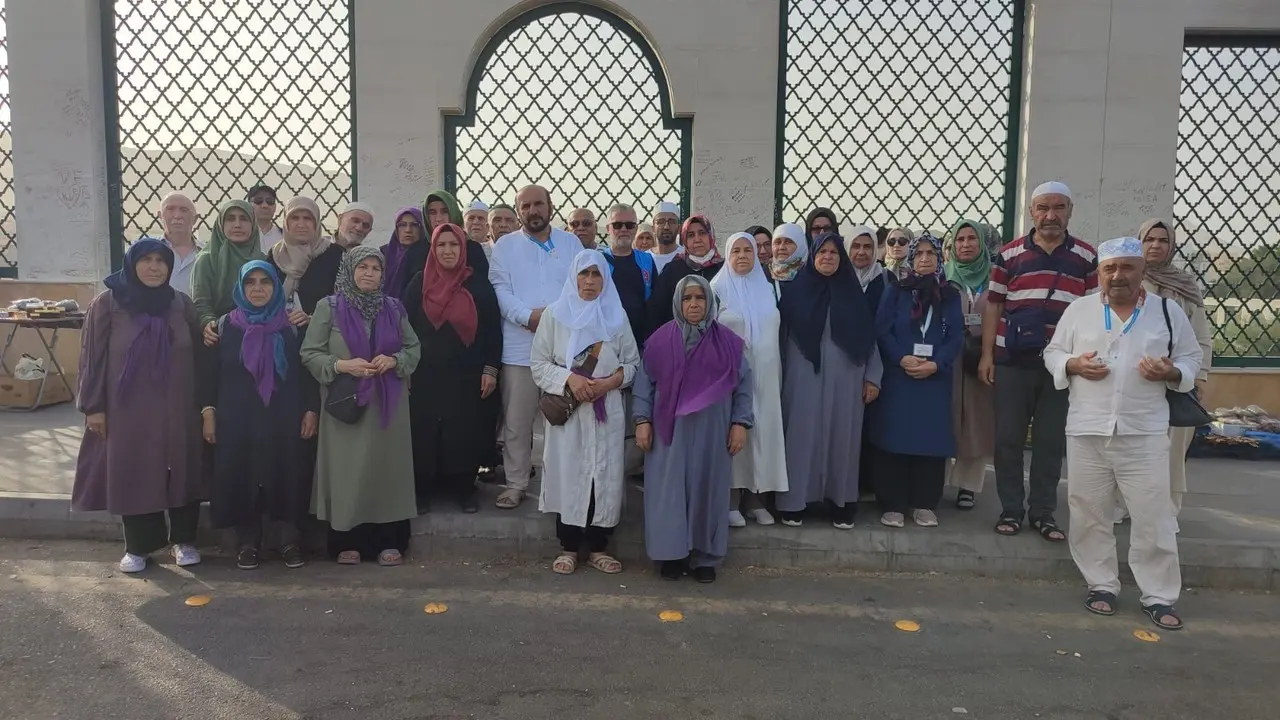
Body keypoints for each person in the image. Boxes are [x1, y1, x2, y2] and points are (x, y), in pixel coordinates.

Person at [1043, 236, 1201, 631]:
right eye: (1109, 269)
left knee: (1153, 517)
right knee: (1089, 512)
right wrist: (1073, 365)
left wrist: (1172, 372)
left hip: (1144, 431)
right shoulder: (1079, 310)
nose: (1118, 276)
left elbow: (1191, 357)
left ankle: (1159, 595)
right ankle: (1101, 584)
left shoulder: (1167, 311)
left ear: (1141, 271)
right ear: (1099, 273)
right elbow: (1053, 353)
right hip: (1087, 428)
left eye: (1127, 267)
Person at [72, 239, 205, 573]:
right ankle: (139, 546)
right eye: (146, 260)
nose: (154, 267)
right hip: (128, 409)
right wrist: (94, 407)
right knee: (135, 470)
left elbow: (201, 354)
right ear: (132, 264)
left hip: (178, 406)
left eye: (161, 261)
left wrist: (205, 406)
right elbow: (92, 358)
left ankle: (184, 539)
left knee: (182, 469)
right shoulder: (108, 303)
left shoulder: (179, 303)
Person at [980, 181, 1098, 542]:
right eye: (1043, 208)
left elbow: (1095, 310)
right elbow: (994, 306)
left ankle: (1044, 513)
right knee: (1008, 440)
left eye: (1059, 207)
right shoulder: (1009, 254)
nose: (1050, 215)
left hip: (1062, 367)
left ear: (1070, 211)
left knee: (1050, 442)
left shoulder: (1086, 257)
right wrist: (987, 355)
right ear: (1031, 212)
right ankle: (1011, 510)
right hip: (1012, 362)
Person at [301, 246, 421, 565]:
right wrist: (343, 365)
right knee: (348, 472)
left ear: (383, 274)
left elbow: (413, 347)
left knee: (387, 471)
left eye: (376, 268)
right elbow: (310, 353)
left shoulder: (393, 308)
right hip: (346, 405)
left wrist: (395, 360)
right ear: (349, 270)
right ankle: (347, 541)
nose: (369, 273)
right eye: (362, 267)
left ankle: (389, 541)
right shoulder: (328, 307)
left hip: (387, 405)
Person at [634, 275, 754, 583]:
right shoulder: (660, 341)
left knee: (708, 489)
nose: (694, 304)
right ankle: (671, 556)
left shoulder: (728, 343)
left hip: (713, 433)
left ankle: (705, 558)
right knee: (669, 492)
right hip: (668, 434)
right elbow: (644, 385)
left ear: (709, 302)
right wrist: (642, 421)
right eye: (687, 298)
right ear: (678, 302)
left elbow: (743, 386)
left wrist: (740, 424)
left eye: (700, 298)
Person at [202, 261, 318, 570]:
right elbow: (210, 374)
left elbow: (307, 373)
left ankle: (289, 542)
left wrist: (311, 409)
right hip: (238, 416)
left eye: (265, 282)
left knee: (287, 473)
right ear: (240, 287)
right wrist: (208, 412)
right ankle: (248, 543)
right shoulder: (224, 326)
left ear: (276, 287)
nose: (257, 288)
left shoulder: (292, 325)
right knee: (244, 474)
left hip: (284, 414)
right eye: (250, 282)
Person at [532, 250, 640, 575]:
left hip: (606, 409)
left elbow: (633, 363)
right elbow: (539, 364)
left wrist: (610, 382)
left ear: (605, 279)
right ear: (574, 277)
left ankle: (598, 547)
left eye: (596, 275)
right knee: (569, 473)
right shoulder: (555, 315)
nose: (590, 281)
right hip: (571, 411)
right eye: (584, 274)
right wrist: (570, 379)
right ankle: (568, 546)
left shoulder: (616, 316)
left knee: (602, 475)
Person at [775, 234, 881, 528]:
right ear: (812, 256)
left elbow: (869, 338)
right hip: (801, 379)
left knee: (842, 439)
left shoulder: (853, 295)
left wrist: (873, 377)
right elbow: (778, 339)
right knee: (800, 437)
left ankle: (840, 503)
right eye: (822, 252)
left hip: (847, 380)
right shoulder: (794, 294)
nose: (828, 257)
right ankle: (794, 503)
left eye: (834, 252)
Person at [489, 185, 577, 509]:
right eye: (525, 206)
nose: (532, 211)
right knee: (517, 422)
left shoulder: (570, 243)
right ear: (518, 212)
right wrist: (527, 317)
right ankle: (516, 484)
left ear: (550, 206)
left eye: (538, 204)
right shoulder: (505, 247)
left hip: (561, 348)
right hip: (519, 348)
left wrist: (551, 318)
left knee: (560, 418)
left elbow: (579, 287)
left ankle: (558, 485)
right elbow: (500, 289)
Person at [406, 222, 501, 514]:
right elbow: (402, 327)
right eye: (441, 245)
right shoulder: (419, 282)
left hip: (466, 374)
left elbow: (492, 330)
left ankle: (463, 489)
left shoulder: (477, 284)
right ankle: (422, 490)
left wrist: (490, 369)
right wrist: (404, 368)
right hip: (424, 373)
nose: (448, 251)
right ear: (433, 249)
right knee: (423, 431)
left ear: (463, 249)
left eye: (454, 245)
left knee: (463, 431)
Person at [872, 233, 964, 528]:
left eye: (931, 254)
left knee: (930, 438)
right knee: (896, 437)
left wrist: (936, 364)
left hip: (934, 379)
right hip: (900, 377)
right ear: (911, 259)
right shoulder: (897, 290)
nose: (925, 259)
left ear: (940, 258)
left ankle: (924, 502)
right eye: (919, 254)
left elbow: (956, 337)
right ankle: (893, 503)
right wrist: (901, 358)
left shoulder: (949, 295)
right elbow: (882, 330)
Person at [1130, 218, 1212, 531]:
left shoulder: (1185, 285)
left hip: (1177, 377)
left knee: (1173, 448)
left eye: (1163, 240)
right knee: (1132, 445)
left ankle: (1167, 510)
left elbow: (1201, 335)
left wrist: (1198, 376)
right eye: (1149, 239)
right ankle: (1126, 505)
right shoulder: (1127, 278)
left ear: (1172, 246)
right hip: (1136, 379)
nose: (1156, 245)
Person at [712, 232, 787, 526]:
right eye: (736, 251)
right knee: (734, 431)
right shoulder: (716, 289)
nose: (742, 256)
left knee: (764, 433)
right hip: (731, 376)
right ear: (727, 255)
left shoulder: (769, 288)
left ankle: (757, 499)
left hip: (767, 375)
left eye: (748, 250)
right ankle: (731, 500)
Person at [943, 219, 999, 510]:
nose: (965, 244)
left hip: (982, 356)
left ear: (981, 243)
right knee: (944, 418)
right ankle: (936, 481)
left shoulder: (996, 278)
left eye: (971, 238)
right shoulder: (943, 277)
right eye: (960, 239)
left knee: (977, 422)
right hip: (948, 357)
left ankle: (968, 486)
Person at [191, 199, 265, 345]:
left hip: (258, 335)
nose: (237, 225)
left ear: (253, 224)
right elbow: (201, 303)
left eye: (244, 219)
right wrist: (208, 323)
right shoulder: (207, 259)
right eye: (230, 219)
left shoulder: (263, 261)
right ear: (221, 224)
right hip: (218, 335)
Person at [646, 215, 723, 338]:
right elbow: (656, 311)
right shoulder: (672, 270)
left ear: (710, 236)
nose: (697, 239)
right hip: (678, 340)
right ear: (684, 240)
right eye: (691, 235)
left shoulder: (723, 269)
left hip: (718, 340)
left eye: (702, 233)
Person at [267, 196, 344, 316]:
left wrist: (312, 319)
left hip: (320, 326)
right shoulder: (276, 254)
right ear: (286, 222)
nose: (301, 224)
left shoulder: (334, 254)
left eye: (307, 218)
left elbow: (342, 301)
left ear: (316, 222)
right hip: (279, 324)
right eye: (295, 218)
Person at [600, 203, 654, 346]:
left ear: (635, 228)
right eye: (617, 225)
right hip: (606, 341)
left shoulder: (647, 260)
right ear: (608, 229)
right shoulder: (598, 261)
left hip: (639, 341)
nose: (624, 229)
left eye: (629, 225)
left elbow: (653, 302)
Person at [423, 189, 489, 276]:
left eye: (445, 212)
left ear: (454, 213)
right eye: (432, 213)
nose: (438, 218)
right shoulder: (417, 251)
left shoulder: (472, 249)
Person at [156, 192, 202, 296]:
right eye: (170, 209)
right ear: (160, 215)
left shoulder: (208, 254)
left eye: (184, 210)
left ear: (195, 219)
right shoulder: (148, 252)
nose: (177, 215)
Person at [380, 206, 428, 300]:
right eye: (402, 225)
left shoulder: (428, 255)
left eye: (414, 225)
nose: (408, 230)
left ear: (422, 228)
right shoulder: (383, 254)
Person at [846, 225, 887, 315]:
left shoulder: (887, 278)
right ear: (847, 248)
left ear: (874, 250)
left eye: (867, 247)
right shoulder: (838, 278)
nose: (861, 252)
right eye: (856, 246)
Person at [769, 222, 809, 303]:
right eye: (777, 242)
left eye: (788, 242)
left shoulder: (810, 274)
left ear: (800, 245)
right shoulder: (762, 274)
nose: (781, 247)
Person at [248, 182, 283, 252]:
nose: (265, 205)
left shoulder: (285, 237)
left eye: (270, 201)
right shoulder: (241, 235)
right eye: (259, 200)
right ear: (249, 205)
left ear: (275, 207)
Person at [648, 201, 683, 273]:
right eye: (661, 222)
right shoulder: (644, 258)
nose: (666, 227)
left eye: (672, 222)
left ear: (679, 228)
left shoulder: (685, 257)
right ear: (653, 228)